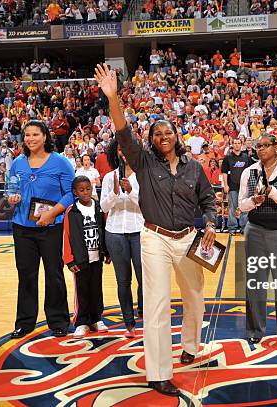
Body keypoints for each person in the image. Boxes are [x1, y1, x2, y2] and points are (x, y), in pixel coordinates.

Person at [95, 63, 217, 396]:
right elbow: (123, 132)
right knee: (158, 304)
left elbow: (208, 201)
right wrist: (113, 97)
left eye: (168, 132)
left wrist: (209, 223)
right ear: (151, 140)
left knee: (194, 298)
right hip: (155, 238)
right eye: (157, 133)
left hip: (189, 240)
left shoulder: (195, 167)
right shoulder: (144, 162)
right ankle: (158, 372)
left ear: (178, 136)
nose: (163, 137)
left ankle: (190, 347)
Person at [7, 120, 75, 339]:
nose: (30, 139)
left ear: (45, 136)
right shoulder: (18, 163)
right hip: (22, 227)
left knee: (53, 274)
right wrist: (11, 197)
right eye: (27, 135)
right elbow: (11, 189)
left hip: (51, 227)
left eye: (35, 134)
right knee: (26, 275)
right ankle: (25, 322)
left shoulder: (60, 162)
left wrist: (52, 213)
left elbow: (70, 193)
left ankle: (58, 321)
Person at [238, 134, 277, 344]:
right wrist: (254, 200)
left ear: (276, 147)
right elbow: (241, 205)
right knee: (255, 283)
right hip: (254, 230)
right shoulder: (249, 172)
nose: (261, 149)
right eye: (258, 146)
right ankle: (255, 331)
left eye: (265, 146)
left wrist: (271, 192)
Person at [100, 138, 144, 338]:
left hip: (140, 230)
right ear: (115, 152)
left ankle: (145, 314)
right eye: (120, 148)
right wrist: (115, 193)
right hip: (115, 232)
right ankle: (129, 323)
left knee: (145, 278)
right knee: (123, 281)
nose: (123, 152)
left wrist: (130, 191)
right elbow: (103, 207)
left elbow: (147, 205)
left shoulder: (143, 175)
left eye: (127, 148)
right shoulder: (109, 178)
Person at [62, 176, 111, 338]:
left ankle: (96, 318)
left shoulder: (98, 207)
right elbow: (67, 236)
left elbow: (105, 230)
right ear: (75, 192)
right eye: (81, 190)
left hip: (97, 257)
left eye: (88, 189)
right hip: (80, 259)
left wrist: (107, 251)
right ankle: (81, 321)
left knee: (96, 289)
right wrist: (69, 259)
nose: (85, 193)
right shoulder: (72, 211)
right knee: (82, 291)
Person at [221, 138, 251, 234]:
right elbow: (224, 172)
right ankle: (232, 227)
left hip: (244, 187)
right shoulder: (227, 157)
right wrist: (226, 185)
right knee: (232, 208)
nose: (237, 145)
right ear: (232, 145)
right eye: (235, 143)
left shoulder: (246, 157)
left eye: (239, 143)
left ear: (242, 145)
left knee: (245, 207)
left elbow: (250, 172)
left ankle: (244, 227)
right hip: (232, 186)